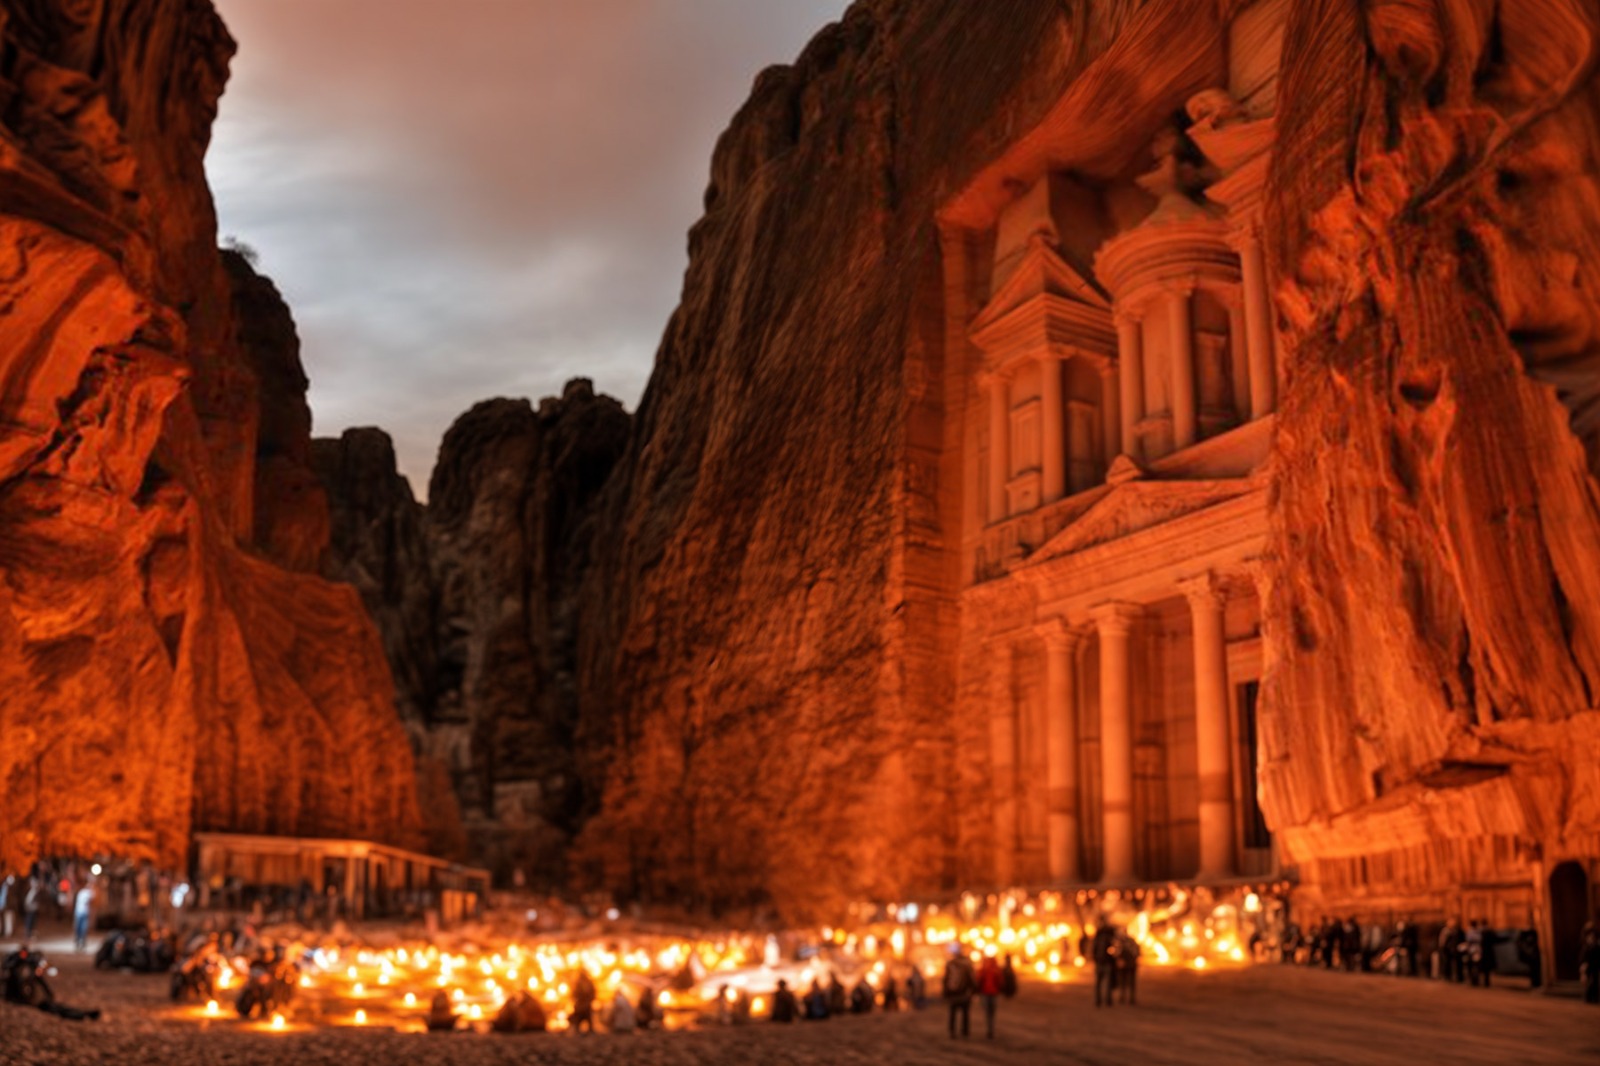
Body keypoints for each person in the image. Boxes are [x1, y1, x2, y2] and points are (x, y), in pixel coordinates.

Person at [942, 947, 975, 1039]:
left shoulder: (950, 964)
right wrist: (973, 991)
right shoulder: (967, 965)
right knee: (965, 1014)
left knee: (953, 1013)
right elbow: (971, 980)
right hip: (964, 994)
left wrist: (945, 992)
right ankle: (965, 1032)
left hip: (953, 993)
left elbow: (945, 979)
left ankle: (952, 1031)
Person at [975, 952, 1002, 1039]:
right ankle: (990, 1030)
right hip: (991, 993)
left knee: (989, 1013)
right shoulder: (994, 969)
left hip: (988, 993)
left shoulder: (986, 969)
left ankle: (990, 1030)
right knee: (991, 1013)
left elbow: (977, 979)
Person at [1091, 922, 1119, 1008]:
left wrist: (1096, 960)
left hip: (1099, 963)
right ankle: (1108, 1000)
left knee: (1098, 983)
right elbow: (1112, 951)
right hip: (1107, 964)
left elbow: (1093, 951)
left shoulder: (1097, 939)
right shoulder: (1109, 939)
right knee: (1108, 983)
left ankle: (1098, 1000)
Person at [1115, 931, 1141, 1005]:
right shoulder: (1133, 944)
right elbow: (1138, 954)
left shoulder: (1121, 944)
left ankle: (1123, 997)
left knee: (1123, 982)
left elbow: (1117, 954)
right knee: (1131, 983)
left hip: (1123, 966)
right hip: (1132, 966)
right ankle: (1131, 998)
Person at [571, 969, 597, 1033]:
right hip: (582, 1004)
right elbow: (575, 993)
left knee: (586, 1019)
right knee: (580, 1019)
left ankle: (589, 1030)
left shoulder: (585, 983)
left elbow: (592, 992)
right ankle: (580, 1030)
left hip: (584, 1004)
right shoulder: (580, 983)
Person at [73, 880, 94, 952]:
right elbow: (92, 899)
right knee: (81, 928)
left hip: (80, 912)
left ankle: (80, 942)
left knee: (80, 927)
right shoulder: (88, 893)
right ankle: (80, 942)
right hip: (82, 912)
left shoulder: (81, 892)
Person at [1580, 923, 1599, 1005]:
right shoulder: (1586, 947)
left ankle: (1594, 997)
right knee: (1589, 982)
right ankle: (1588, 997)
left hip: (1595, 965)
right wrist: (1584, 964)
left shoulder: (1595, 945)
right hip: (1589, 965)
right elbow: (1584, 956)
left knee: (1594, 981)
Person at [23, 875, 42, 941]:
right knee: (29, 922)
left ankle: (30, 934)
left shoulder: (35, 891)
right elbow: (28, 900)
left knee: (31, 922)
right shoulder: (32, 891)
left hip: (32, 909)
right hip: (30, 908)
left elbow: (34, 901)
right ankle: (28, 935)